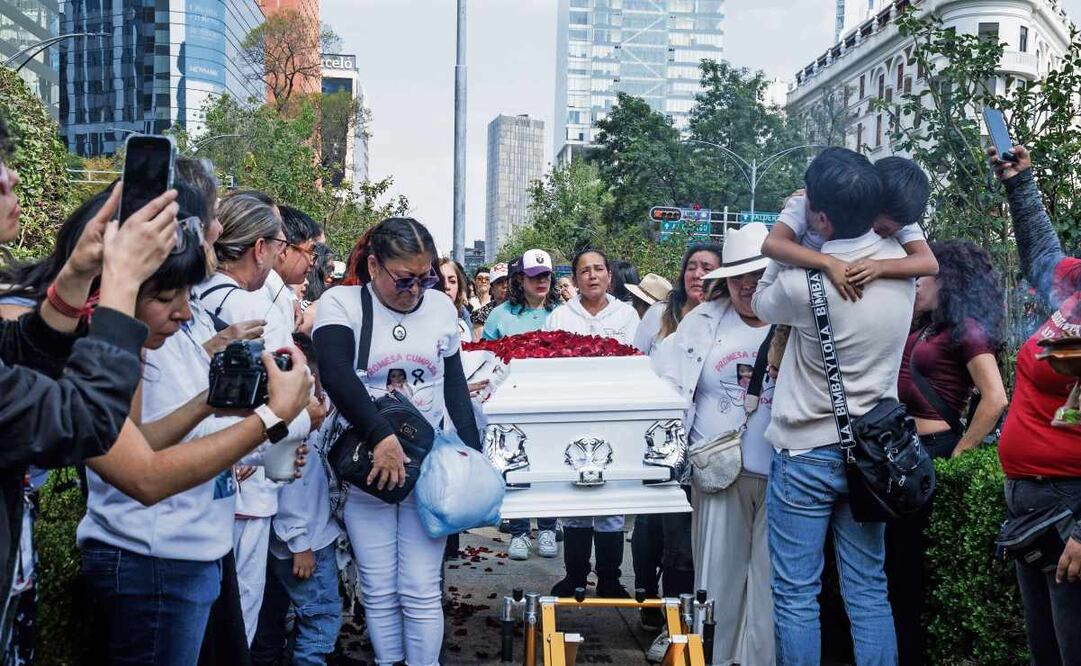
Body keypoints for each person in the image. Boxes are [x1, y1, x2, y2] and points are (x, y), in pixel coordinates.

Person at [75, 185, 314, 665]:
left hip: (191, 552)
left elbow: (145, 440)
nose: (220, 230)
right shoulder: (122, 343)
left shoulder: (183, 324)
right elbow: (143, 473)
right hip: (153, 557)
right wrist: (271, 419)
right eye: (169, 296)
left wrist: (216, 404)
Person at [752, 147, 913, 665]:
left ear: (820, 215)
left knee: (798, 593)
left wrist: (792, 218)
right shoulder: (902, 273)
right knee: (868, 588)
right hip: (873, 454)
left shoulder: (806, 282)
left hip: (807, 454)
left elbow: (760, 301)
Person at [313, 217, 480, 666]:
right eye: (404, 279)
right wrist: (382, 436)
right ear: (372, 266)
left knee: (421, 587)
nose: (415, 290)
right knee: (379, 585)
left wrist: (472, 458)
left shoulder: (441, 308)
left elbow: (454, 388)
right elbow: (335, 373)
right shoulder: (340, 303)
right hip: (368, 465)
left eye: (424, 278)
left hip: (428, 466)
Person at [197, 193, 322, 647]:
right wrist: (306, 418)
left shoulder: (199, 297)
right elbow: (282, 403)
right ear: (259, 248)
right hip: (242, 480)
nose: (283, 253)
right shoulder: (247, 310)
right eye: (280, 243)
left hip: (209, 477)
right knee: (238, 617)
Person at [654, 223, 775, 665]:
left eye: (759, 275)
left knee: (769, 582)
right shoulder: (701, 321)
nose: (749, 285)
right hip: (718, 471)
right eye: (740, 276)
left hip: (783, 473)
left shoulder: (794, 320)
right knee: (716, 575)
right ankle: (713, 658)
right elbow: (670, 386)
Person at [887, 239, 1008, 666]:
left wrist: (960, 451)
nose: (917, 281)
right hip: (906, 448)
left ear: (949, 279)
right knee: (895, 568)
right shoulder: (926, 326)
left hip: (931, 450)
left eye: (926, 274)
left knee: (909, 570)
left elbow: (995, 397)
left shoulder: (966, 329)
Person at [991, 144, 1081, 665]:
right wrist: (1020, 184)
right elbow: (1043, 257)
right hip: (1032, 503)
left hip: (1072, 507)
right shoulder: (1075, 289)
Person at [761, 156, 938, 370]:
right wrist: (827, 263)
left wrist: (880, 267)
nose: (872, 234)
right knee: (781, 365)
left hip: (848, 306)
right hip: (804, 297)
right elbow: (772, 244)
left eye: (885, 233)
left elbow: (929, 263)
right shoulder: (812, 204)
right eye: (875, 226)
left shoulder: (901, 219)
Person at [545, 249, 639, 598]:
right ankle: (575, 576)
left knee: (612, 502)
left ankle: (611, 579)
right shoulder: (559, 317)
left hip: (615, 420)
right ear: (576, 277)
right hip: (573, 419)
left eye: (599, 269)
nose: (593, 276)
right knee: (576, 503)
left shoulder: (628, 316)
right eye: (584, 270)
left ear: (609, 276)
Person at [482, 249, 561, 561]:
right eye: (534, 276)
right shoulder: (500, 316)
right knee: (514, 466)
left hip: (550, 403)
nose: (541, 281)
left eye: (546, 275)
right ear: (519, 279)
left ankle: (546, 528)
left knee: (548, 466)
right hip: (510, 404)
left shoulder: (562, 313)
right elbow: (484, 360)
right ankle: (517, 531)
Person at [634, 244, 722, 358]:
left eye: (707, 269)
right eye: (691, 268)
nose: (696, 275)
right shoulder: (659, 313)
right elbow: (635, 359)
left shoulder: (728, 319)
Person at [438, 257, 473, 342]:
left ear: (459, 288)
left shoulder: (463, 326)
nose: (446, 286)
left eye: (452, 281)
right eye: (441, 280)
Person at [471, 262, 509, 337]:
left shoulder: (524, 309)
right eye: (499, 282)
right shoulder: (481, 315)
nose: (505, 285)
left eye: (507, 281)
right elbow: (479, 345)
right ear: (492, 289)